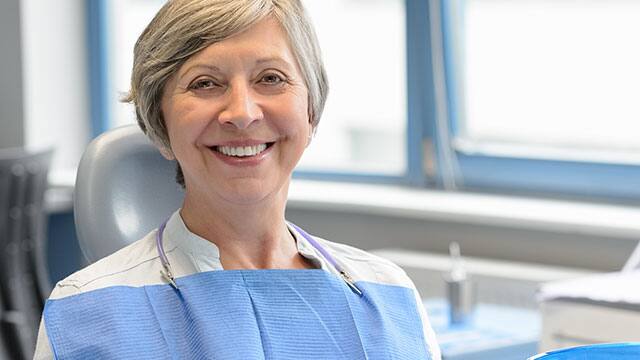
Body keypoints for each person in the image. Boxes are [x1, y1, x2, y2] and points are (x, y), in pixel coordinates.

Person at [34, 0, 441, 358]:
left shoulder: (389, 296)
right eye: (205, 83)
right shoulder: (84, 312)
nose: (242, 112)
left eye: (271, 78)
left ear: (311, 110)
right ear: (160, 122)